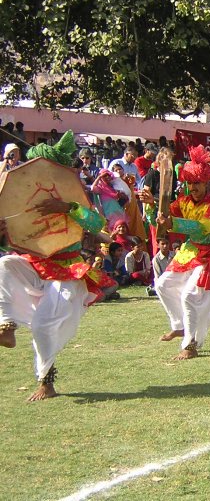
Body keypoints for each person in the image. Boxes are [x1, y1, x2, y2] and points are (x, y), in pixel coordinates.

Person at [0, 131, 114, 401]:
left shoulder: (75, 196)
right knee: (5, 264)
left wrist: (65, 207)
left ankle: (46, 380)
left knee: (42, 325)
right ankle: (7, 326)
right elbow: (15, 241)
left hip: (67, 269)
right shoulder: (25, 195)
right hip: (36, 263)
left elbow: (98, 226)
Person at [140, 145, 210, 360]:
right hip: (189, 252)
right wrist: (152, 206)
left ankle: (190, 344)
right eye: (189, 183)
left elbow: (202, 228)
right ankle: (179, 325)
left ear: (206, 182)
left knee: (190, 296)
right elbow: (161, 221)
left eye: (196, 183)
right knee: (163, 285)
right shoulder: (183, 201)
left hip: (209, 254)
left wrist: (174, 222)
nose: (193, 187)